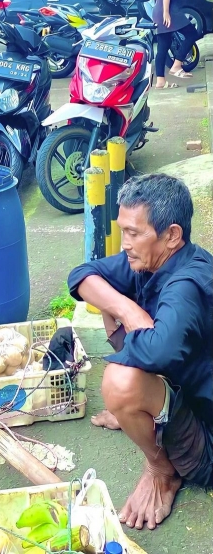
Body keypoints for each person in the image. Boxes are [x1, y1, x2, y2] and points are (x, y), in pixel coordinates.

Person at [68, 174, 213, 531]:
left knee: (119, 382)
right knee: (107, 294)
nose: (125, 243)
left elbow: (156, 354)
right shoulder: (154, 259)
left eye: (135, 233)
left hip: (206, 443)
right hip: (182, 392)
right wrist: (128, 310)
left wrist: (128, 396)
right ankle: (145, 413)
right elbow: (82, 275)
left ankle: (163, 469)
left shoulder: (186, 286)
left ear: (172, 235)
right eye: (123, 231)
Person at [152, 0, 199, 89]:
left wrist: (162, 12)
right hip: (170, 12)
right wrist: (166, 12)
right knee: (192, 34)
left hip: (159, 12)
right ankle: (177, 66)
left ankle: (160, 81)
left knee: (163, 47)